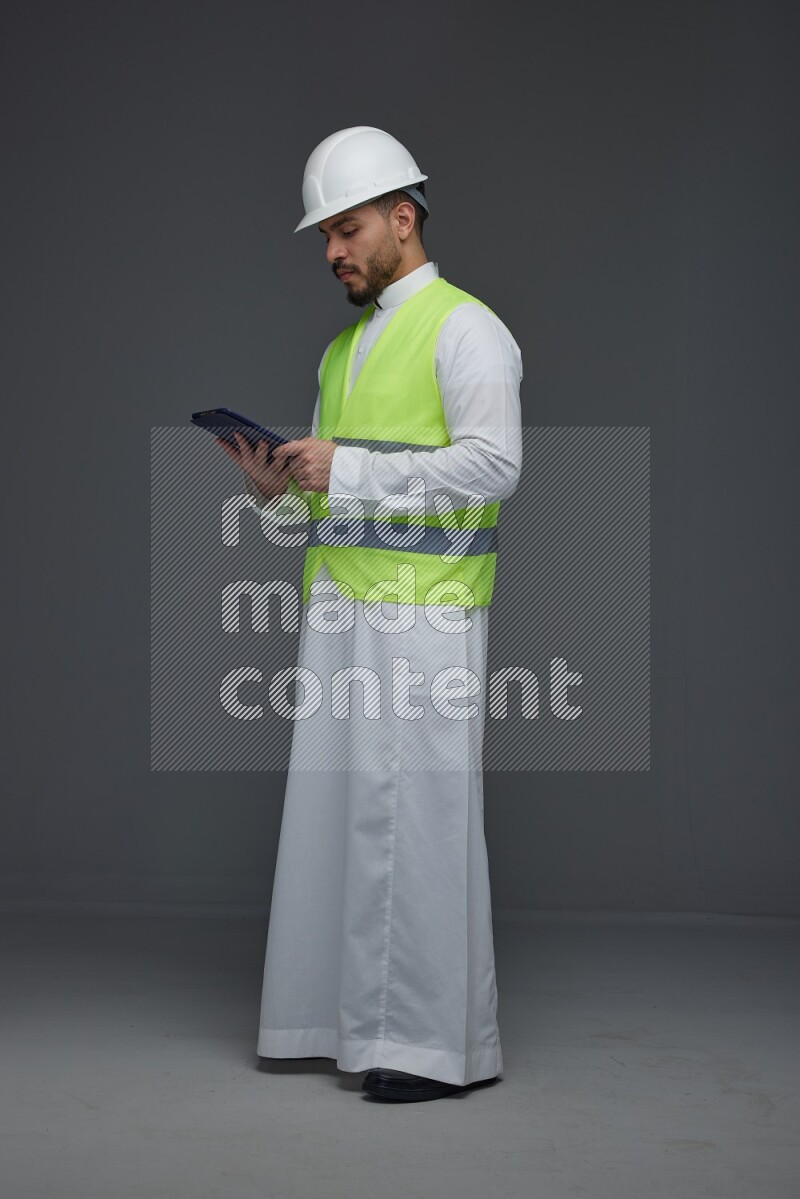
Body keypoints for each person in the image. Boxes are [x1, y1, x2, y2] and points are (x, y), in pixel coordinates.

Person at [217, 126, 523, 1102]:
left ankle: (433, 1047)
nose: (331, 251)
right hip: (342, 617)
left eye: (343, 229)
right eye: (323, 237)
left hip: (425, 621)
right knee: (338, 822)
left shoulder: (467, 328)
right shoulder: (342, 350)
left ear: (403, 216)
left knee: (416, 826)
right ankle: (333, 1023)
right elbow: (333, 502)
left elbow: (493, 464)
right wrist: (276, 491)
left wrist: (344, 467)